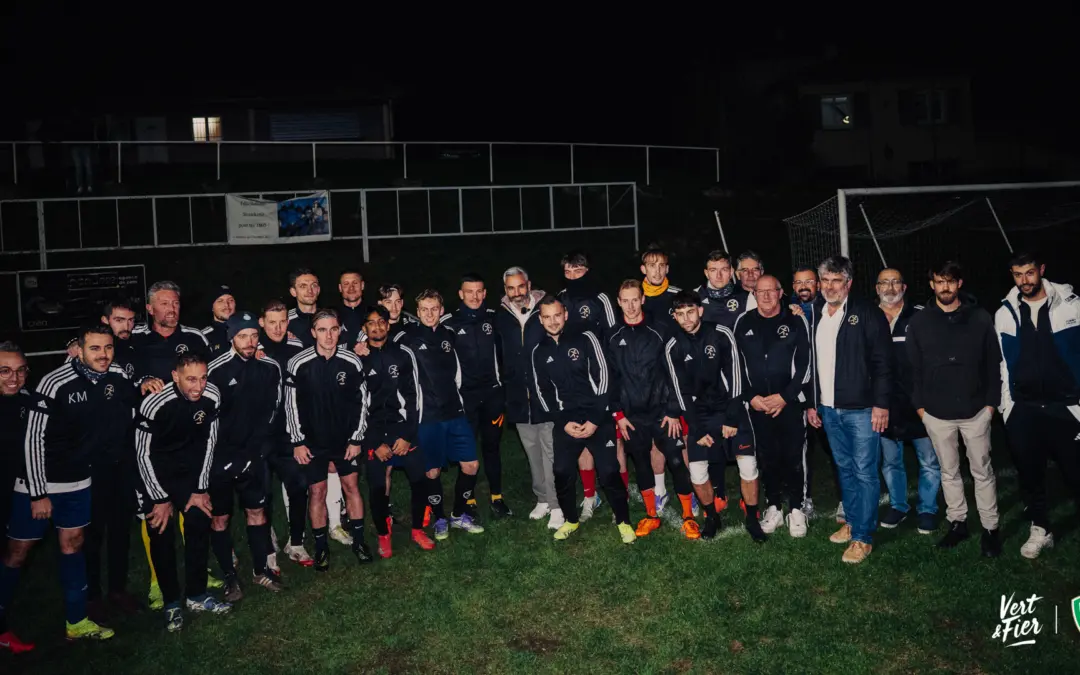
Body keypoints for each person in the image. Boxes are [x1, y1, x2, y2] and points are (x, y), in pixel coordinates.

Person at [0, 327, 132, 650]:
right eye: (95, 348)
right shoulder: (54, 382)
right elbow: (33, 439)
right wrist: (37, 492)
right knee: (18, 552)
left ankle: (76, 621)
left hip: (79, 482)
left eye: (108, 348)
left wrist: (144, 384)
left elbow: (130, 385)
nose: (103, 354)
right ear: (80, 350)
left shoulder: (114, 373)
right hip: (39, 484)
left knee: (73, 545)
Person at [908, 261, 1002, 557]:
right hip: (936, 414)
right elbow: (913, 369)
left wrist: (990, 404)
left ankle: (990, 528)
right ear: (931, 284)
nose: (944, 287)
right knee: (949, 472)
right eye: (939, 281)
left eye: (950, 281)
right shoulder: (920, 322)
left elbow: (993, 363)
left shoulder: (980, 317)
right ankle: (958, 523)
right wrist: (921, 408)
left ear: (959, 283)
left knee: (982, 471)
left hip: (976, 410)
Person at [136, 353, 231, 631]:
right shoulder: (155, 402)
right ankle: (171, 603)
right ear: (175, 376)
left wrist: (200, 489)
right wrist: (160, 498)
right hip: (156, 474)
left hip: (190, 473)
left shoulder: (212, 395)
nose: (198, 386)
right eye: (191, 379)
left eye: (203, 377)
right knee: (161, 534)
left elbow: (210, 445)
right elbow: (142, 455)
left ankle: (197, 595)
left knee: (199, 526)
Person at [994, 252, 1080, 559]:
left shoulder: (1072, 305)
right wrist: (1008, 407)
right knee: (1030, 474)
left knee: (1075, 471)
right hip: (1024, 409)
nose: (1024, 281)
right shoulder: (1005, 312)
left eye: (1029, 273)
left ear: (1042, 270)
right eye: (1017, 275)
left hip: (1067, 407)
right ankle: (1041, 528)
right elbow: (1004, 364)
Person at [531, 295, 634, 543]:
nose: (553, 321)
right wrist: (563, 422)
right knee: (562, 471)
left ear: (565, 314)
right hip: (567, 422)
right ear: (540, 319)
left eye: (557, 315)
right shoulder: (538, 351)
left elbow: (604, 379)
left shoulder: (586, 338)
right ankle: (571, 520)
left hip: (597, 417)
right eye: (547, 317)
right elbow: (541, 392)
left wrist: (596, 420)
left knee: (609, 471)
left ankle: (623, 521)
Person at [808, 255, 891, 564]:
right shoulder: (816, 314)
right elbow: (815, 364)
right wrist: (814, 403)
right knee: (844, 468)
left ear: (848, 283)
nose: (830, 286)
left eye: (836, 281)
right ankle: (854, 522)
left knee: (865, 471)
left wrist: (880, 404)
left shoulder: (867, 313)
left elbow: (883, 363)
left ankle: (864, 538)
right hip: (829, 409)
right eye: (825, 281)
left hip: (861, 409)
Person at [666, 290, 765, 541]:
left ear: (700, 310)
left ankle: (752, 517)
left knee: (748, 464)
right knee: (698, 472)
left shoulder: (721, 334)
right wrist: (697, 430)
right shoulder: (673, 346)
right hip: (700, 414)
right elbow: (680, 393)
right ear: (675, 317)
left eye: (691, 312)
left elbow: (736, 378)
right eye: (680, 314)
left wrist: (732, 418)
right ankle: (712, 516)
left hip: (730, 408)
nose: (686, 318)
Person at [608, 280, 699, 539]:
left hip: (662, 413)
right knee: (642, 464)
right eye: (625, 300)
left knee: (675, 461)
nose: (631, 305)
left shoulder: (660, 330)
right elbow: (611, 378)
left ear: (643, 299)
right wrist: (619, 415)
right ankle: (651, 515)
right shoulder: (613, 336)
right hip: (632, 416)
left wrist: (673, 409)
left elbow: (674, 372)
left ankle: (688, 517)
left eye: (635, 299)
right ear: (618, 302)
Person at [285, 309, 373, 570]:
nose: (329, 335)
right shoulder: (298, 363)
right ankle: (322, 547)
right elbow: (291, 406)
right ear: (313, 333)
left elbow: (362, 404)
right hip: (312, 444)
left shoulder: (351, 361)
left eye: (333, 329)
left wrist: (356, 439)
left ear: (339, 331)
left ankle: (358, 541)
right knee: (317, 492)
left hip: (345, 441)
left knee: (352, 488)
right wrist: (298, 442)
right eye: (322, 330)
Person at [206, 312, 286, 599]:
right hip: (220, 460)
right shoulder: (215, 371)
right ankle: (229, 576)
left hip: (254, 457)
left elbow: (273, 412)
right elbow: (207, 420)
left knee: (257, 512)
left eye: (254, 335)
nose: (250, 341)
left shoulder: (269, 368)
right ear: (231, 338)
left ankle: (260, 570)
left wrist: (259, 450)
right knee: (220, 519)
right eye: (243, 336)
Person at [394, 290, 485, 540]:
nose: (430, 313)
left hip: (455, 412)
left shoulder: (449, 336)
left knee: (471, 465)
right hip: (428, 417)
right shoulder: (407, 338)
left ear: (441, 310)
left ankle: (458, 514)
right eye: (424, 309)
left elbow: (457, 374)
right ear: (417, 311)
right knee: (432, 471)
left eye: (434, 308)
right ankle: (440, 519)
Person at [733, 276, 813, 538]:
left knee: (793, 456)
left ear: (781, 293)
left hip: (788, 404)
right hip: (757, 405)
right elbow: (736, 365)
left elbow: (805, 365)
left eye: (771, 291)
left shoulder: (795, 319)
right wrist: (750, 396)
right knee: (767, 457)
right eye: (760, 291)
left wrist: (785, 397)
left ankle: (798, 509)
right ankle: (774, 507)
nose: (766, 296)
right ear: (753, 294)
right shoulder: (743, 322)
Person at [358, 305, 436, 557]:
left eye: (381, 322)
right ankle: (383, 534)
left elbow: (415, 397)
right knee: (378, 486)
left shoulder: (403, 354)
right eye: (372, 323)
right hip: (373, 432)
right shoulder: (357, 358)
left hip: (401, 428)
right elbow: (354, 406)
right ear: (364, 328)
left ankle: (417, 529)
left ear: (388, 325)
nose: (377, 327)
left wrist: (408, 436)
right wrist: (372, 442)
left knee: (419, 479)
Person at [874, 268, 941, 534]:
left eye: (895, 282)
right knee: (891, 461)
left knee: (929, 460)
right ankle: (899, 505)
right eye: (884, 283)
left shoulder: (921, 316)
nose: (890, 287)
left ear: (904, 286)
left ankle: (927, 508)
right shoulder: (868, 317)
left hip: (920, 403)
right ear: (876, 287)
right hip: (885, 404)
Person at [440, 274, 511, 519]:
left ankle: (497, 498)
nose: (475, 296)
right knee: (467, 452)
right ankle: (467, 499)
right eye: (469, 291)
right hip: (464, 399)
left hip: (492, 395)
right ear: (460, 294)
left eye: (479, 291)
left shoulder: (494, 317)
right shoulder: (447, 323)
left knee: (492, 446)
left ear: (485, 293)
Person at [495, 267, 561, 529]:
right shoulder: (500, 316)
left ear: (529, 285)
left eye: (520, 286)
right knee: (532, 451)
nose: (516, 293)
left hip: (546, 396)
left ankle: (557, 505)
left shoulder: (545, 309)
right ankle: (542, 498)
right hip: (518, 397)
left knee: (550, 451)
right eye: (510, 288)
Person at [558, 251, 616, 520]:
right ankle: (590, 497)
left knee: (612, 439)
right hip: (575, 379)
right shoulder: (562, 298)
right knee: (581, 440)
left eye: (577, 271)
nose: (572, 277)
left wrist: (611, 376)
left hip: (602, 377)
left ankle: (620, 492)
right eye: (568, 272)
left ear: (587, 270)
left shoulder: (600, 297)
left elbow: (613, 336)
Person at [256, 300, 313, 566]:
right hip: (260, 435)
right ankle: (267, 544)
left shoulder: (296, 346)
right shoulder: (252, 349)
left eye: (282, 322)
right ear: (261, 323)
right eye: (272, 322)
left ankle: (297, 542)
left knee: (299, 486)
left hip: (289, 432)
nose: (278, 328)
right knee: (263, 493)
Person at [130, 280, 210, 385]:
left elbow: (211, 373)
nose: (172, 309)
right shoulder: (134, 336)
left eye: (175, 303)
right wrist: (144, 381)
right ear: (150, 309)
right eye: (164, 303)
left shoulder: (195, 337)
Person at [0, 343, 31, 561]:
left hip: (15, 491)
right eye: (5, 371)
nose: (14, 378)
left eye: (20, 370)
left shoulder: (27, 401)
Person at [695, 250, 753, 327]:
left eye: (724, 269)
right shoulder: (694, 297)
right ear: (706, 273)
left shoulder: (747, 298)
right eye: (713, 270)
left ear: (731, 272)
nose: (719, 275)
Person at [287, 268, 321, 349]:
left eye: (314, 285)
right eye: (303, 286)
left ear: (318, 290)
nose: (310, 290)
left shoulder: (330, 318)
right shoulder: (284, 321)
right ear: (293, 292)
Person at [201, 285, 236, 356]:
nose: (226, 305)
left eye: (230, 300)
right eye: (220, 301)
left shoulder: (248, 330)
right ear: (212, 307)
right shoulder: (203, 336)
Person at [337, 269, 366, 348]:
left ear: (362, 285)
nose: (351, 288)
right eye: (346, 284)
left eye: (355, 283)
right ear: (340, 288)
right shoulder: (332, 315)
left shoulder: (373, 313)